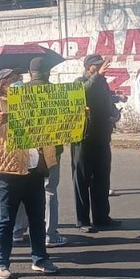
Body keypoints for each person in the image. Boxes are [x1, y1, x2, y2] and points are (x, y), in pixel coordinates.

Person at [0, 69, 60, 279]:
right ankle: (1, 263)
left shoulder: (35, 100)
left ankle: (40, 259)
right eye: (14, 80)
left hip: (34, 169)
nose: (19, 83)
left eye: (20, 79)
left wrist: (77, 116)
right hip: (9, 171)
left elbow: (55, 121)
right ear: (4, 84)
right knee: (6, 220)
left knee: (37, 218)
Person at [74, 54, 119, 232]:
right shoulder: (80, 81)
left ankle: (101, 217)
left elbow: (108, 103)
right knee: (82, 180)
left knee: (102, 179)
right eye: (97, 66)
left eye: (102, 65)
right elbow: (84, 92)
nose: (102, 68)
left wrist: (116, 114)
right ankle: (83, 220)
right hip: (84, 138)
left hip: (102, 136)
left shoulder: (102, 82)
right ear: (88, 67)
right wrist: (98, 76)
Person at [27, 57, 68, 246]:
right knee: (49, 189)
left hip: (26, 149)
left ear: (30, 74)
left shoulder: (19, 93)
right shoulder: (58, 93)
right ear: (48, 73)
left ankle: (18, 231)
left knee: (23, 190)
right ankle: (50, 234)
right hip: (52, 148)